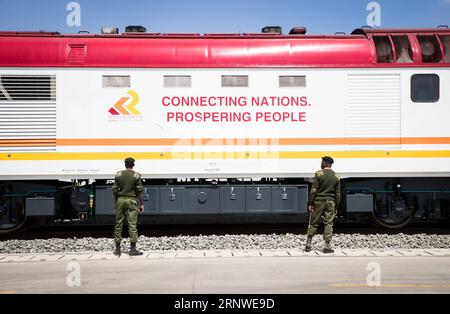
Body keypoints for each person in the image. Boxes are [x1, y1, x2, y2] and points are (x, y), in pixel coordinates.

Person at [305, 156, 341, 254]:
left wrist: (311, 202)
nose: (321, 163)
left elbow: (313, 190)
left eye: (322, 162)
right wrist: (336, 207)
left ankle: (308, 244)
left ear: (326, 163)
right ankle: (327, 246)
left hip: (318, 202)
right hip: (330, 203)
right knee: (328, 223)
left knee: (313, 222)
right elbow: (338, 194)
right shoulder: (336, 176)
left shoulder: (319, 174)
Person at [112, 157, 145, 256]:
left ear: (125, 164)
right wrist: (142, 203)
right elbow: (139, 191)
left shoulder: (118, 174)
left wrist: (116, 201)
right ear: (133, 165)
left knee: (118, 224)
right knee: (132, 225)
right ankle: (133, 249)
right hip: (131, 201)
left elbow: (114, 189)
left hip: (120, 200)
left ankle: (118, 249)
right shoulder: (136, 175)